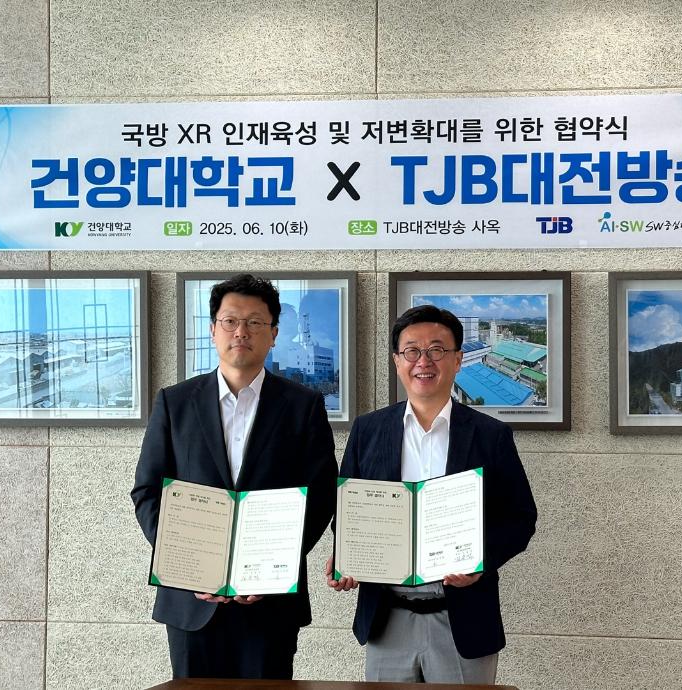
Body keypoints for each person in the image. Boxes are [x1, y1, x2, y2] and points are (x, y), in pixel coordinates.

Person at [132, 274, 337, 679]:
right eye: (230, 321)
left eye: (255, 322)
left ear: (273, 334)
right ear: (213, 330)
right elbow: (148, 491)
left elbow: (320, 496)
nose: (241, 332)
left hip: (270, 601)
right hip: (192, 601)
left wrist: (274, 565)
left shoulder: (303, 405)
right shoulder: (175, 402)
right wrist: (187, 564)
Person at [326, 304, 537, 683]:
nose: (423, 361)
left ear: (457, 360)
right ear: (397, 361)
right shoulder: (367, 430)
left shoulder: (490, 435)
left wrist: (479, 563)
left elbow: (520, 519)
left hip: (463, 620)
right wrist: (347, 556)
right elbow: (347, 511)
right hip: (386, 618)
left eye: (437, 350)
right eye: (412, 351)